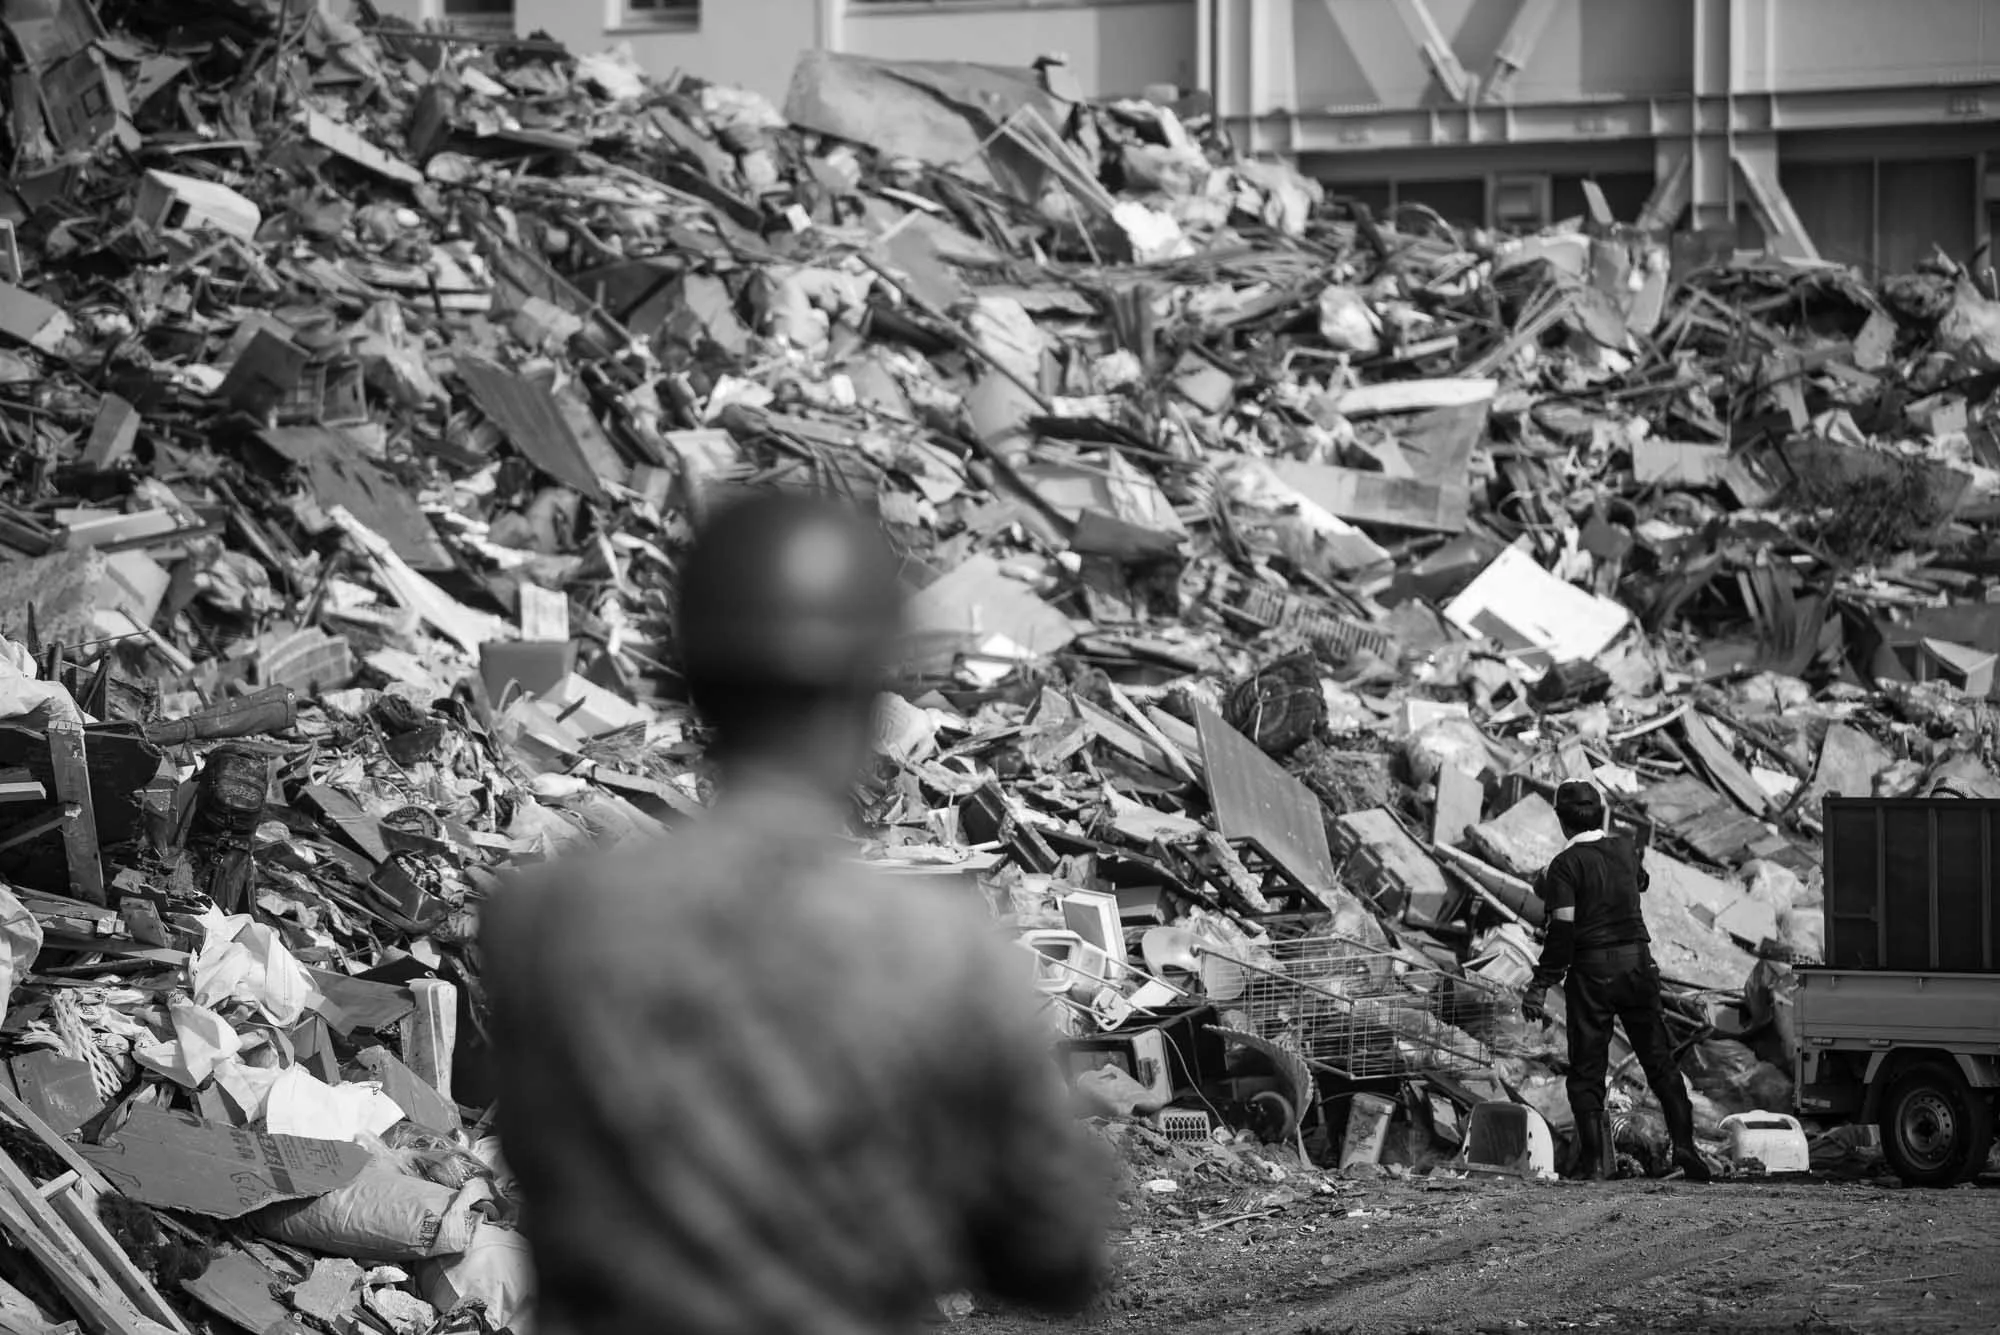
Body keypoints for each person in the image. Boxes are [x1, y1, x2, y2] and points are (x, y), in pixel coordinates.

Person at [481, 491, 1110, 1335]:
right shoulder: (937, 947)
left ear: (694, 680)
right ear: (865, 692)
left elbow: (544, 1176)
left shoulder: (541, 924)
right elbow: (1049, 1255)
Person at [1520, 780, 1711, 1183]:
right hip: (1637, 968)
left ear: (1561, 820)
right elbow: (1640, 882)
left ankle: (1593, 1165)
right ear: (1600, 812)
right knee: (1658, 1062)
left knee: (1587, 1072)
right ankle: (1687, 1147)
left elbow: (1563, 933)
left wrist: (1540, 983)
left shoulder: (1565, 866)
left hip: (1592, 975)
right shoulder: (1624, 848)